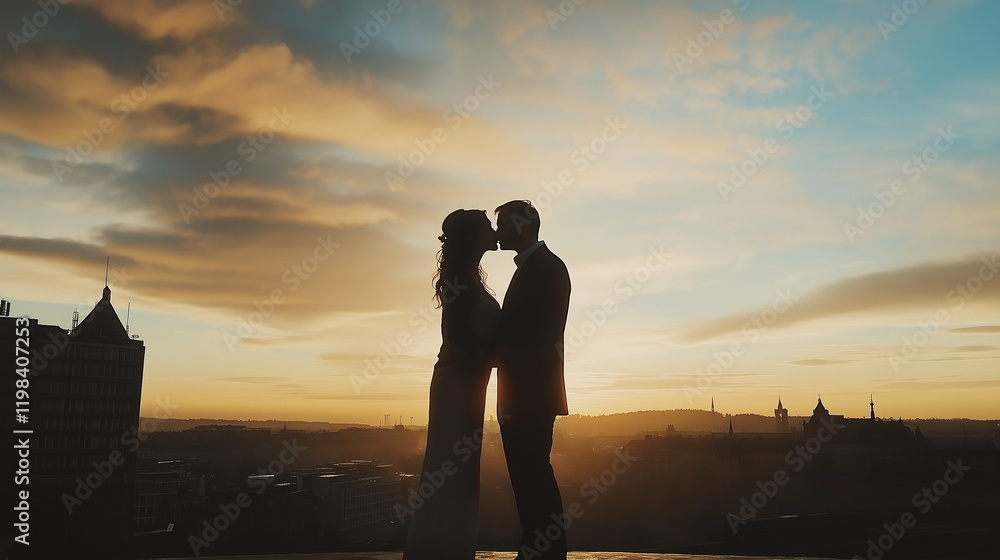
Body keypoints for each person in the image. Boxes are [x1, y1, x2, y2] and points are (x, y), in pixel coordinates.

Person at [403, 209, 501, 560]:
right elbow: (461, 343)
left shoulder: (468, 278)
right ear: (474, 237)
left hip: (465, 386)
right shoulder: (463, 282)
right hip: (458, 387)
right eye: (488, 227)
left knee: (456, 468)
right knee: (450, 469)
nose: (494, 231)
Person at [494, 200, 571, 560]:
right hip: (525, 395)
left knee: (534, 477)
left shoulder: (546, 269)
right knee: (529, 478)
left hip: (529, 396)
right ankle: (538, 546)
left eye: (502, 225)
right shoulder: (538, 267)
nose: (497, 232)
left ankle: (545, 551)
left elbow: (535, 337)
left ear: (522, 226)